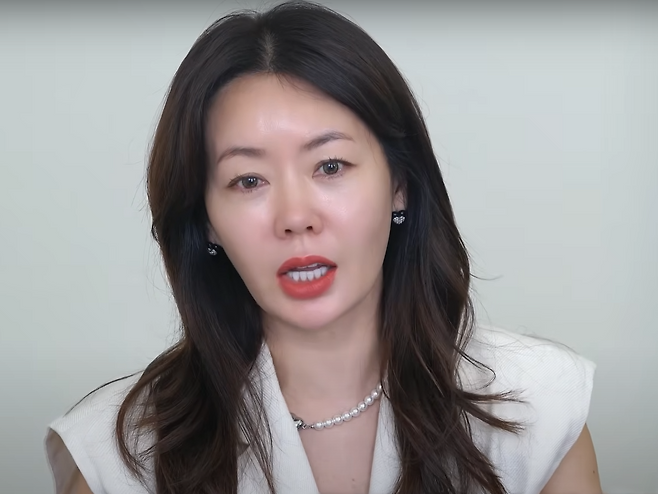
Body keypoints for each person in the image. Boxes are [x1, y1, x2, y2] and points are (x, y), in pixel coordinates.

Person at [44, 2, 602, 493]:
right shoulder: (119, 455)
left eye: (330, 166)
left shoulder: (536, 407)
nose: (295, 218)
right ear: (206, 221)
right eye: (248, 180)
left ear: (399, 185)